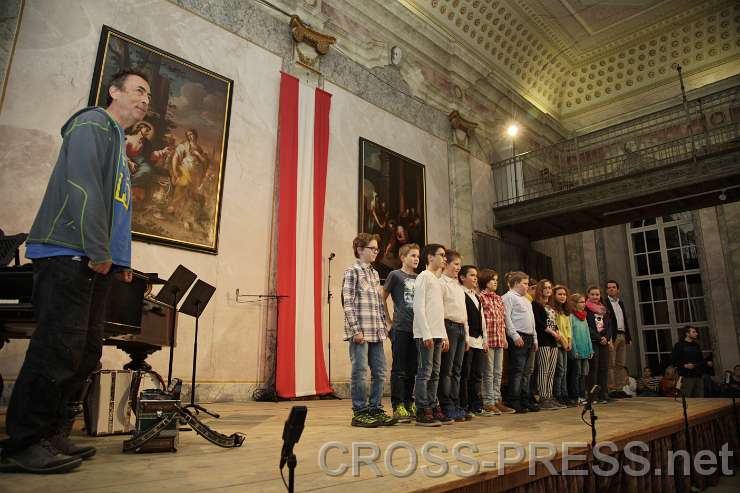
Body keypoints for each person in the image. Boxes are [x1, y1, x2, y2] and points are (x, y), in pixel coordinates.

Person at [0, 69, 150, 474]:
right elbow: (81, 187)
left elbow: (116, 208)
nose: (145, 99)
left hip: (94, 260)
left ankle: (52, 435)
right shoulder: (91, 124)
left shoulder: (118, 145)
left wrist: (120, 262)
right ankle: (23, 443)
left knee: (84, 353)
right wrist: (99, 248)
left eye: (149, 95)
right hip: (70, 252)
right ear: (114, 92)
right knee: (56, 349)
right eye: (139, 90)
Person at [342, 233, 396, 428]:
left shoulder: (374, 274)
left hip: (376, 331)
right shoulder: (352, 271)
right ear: (360, 249)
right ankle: (360, 411)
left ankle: (375, 408)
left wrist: (385, 327)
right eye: (372, 248)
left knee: (380, 371)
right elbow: (347, 302)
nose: (376, 252)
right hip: (360, 332)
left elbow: (378, 303)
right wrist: (356, 330)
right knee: (360, 372)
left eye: (377, 249)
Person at [382, 243, 420, 423]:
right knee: (399, 369)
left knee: (413, 368)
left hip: (417, 329)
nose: (416, 259)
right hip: (400, 327)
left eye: (418, 256)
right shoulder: (395, 275)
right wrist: (388, 322)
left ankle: (408, 401)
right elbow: (382, 297)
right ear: (403, 257)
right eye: (412, 255)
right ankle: (398, 406)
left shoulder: (421, 277)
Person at [413, 243, 449, 426]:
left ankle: (433, 405)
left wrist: (443, 335)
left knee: (435, 372)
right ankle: (422, 408)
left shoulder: (437, 280)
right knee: (425, 372)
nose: (444, 258)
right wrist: (426, 333)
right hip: (425, 334)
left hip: (437, 333)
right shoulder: (424, 277)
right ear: (430, 257)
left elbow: (438, 311)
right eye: (441, 255)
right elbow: (418, 307)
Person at [502, 272, 539, 413]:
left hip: (529, 336)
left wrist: (535, 338)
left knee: (527, 371)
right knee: (517, 370)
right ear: (516, 283)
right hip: (518, 337)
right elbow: (507, 318)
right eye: (524, 283)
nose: (527, 286)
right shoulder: (508, 297)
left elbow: (532, 321)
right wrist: (514, 335)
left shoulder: (526, 300)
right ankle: (513, 400)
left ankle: (525, 398)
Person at [478, 269, 514, 415]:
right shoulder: (481, 297)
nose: (495, 282)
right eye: (492, 279)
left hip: (499, 337)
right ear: (485, 281)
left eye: (496, 280)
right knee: (488, 372)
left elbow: (502, 319)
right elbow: (481, 320)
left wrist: (504, 337)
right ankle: (488, 401)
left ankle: (497, 399)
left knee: (498, 372)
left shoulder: (498, 298)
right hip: (488, 338)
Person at [438, 250, 467, 423]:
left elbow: (463, 313)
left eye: (459, 265)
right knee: (446, 370)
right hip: (448, 327)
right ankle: (446, 404)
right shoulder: (441, 283)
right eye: (455, 264)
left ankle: (456, 404)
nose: (458, 268)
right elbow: (440, 310)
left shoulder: (457, 285)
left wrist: (467, 334)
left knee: (457, 370)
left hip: (461, 328)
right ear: (445, 263)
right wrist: (443, 334)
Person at [458, 265, 489, 418]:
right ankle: (464, 405)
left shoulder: (476, 296)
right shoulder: (460, 293)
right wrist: (466, 337)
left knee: (477, 374)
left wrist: (485, 339)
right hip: (468, 339)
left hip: (478, 340)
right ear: (462, 277)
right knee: (466, 373)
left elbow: (482, 319)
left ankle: (476, 405)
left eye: (476, 275)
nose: (475, 278)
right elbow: (463, 318)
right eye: (471, 275)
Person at [533, 279, 563, 411]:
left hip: (553, 341)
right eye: (545, 288)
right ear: (540, 289)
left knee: (551, 370)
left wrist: (558, 334)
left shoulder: (550, 307)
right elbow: (540, 323)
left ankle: (549, 396)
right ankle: (542, 397)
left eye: (550, 288)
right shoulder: (536, 304)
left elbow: (553, 323)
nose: (548, 290)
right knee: (543, 369)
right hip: (543, 339)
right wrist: (552, 332)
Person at [585, 286, 613, 404]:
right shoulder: (586, 310)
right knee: (593, 368)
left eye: (597, 294)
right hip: (593, 341)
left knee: (604, 368)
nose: (595, 297)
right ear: (588, 295)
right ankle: (593, 395)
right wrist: (598, 337)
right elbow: (587, 326)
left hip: (604, 342)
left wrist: (606, 338)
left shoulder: (604, 309)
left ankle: (603, 394)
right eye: (592, 294)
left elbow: (609, 326)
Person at [606, 280, 632, 397]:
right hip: (612, 335)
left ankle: (620, 388)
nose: (611, 289)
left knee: (620, 363)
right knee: (611, 363)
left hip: (622, 334)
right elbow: (606, 322)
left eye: (614, 287)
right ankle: (611, 389)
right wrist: (608, 337)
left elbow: (624, 320)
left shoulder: (620, 302)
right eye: (609, 287)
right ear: (606, 290)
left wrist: (628, 337)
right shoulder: (605, 303)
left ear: (618, 289)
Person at [550, 285, 575, 407]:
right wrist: (564, 342)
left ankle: (565, 394)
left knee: (564, 370)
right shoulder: (553, 310)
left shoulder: (565, 311)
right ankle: (558, 394)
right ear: (554, 296)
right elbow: (556, 328)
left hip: (566, 344)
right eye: (559, 294)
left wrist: (569, 341)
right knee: (559, 370)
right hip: (558, 344)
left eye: (564, 294)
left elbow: (568, 328)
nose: (562, 296)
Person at [569, 293, 593, 404]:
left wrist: (590, 349)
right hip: (577, 350)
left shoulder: (584, 316)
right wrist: (575, 350)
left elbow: (588, 334)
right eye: (581, 302)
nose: (584, 304)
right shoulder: (571, 317)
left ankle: (583, 395)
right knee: (577, 374)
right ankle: (576, 396)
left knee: (584, 374)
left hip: (585, 349)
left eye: (584, 302)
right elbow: (571, 334)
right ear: (574, 303)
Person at [671, 326, 704, 397]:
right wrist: (684, 365)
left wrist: (696, 365)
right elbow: (674, 360)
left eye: (696, 332)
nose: (696, 333)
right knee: (686, 399)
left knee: (700, 399)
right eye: (694, 332)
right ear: (687, 333)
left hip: (698, 375)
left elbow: (701, 360)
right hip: (686, 376)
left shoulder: (696, 345)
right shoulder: (679, 345)